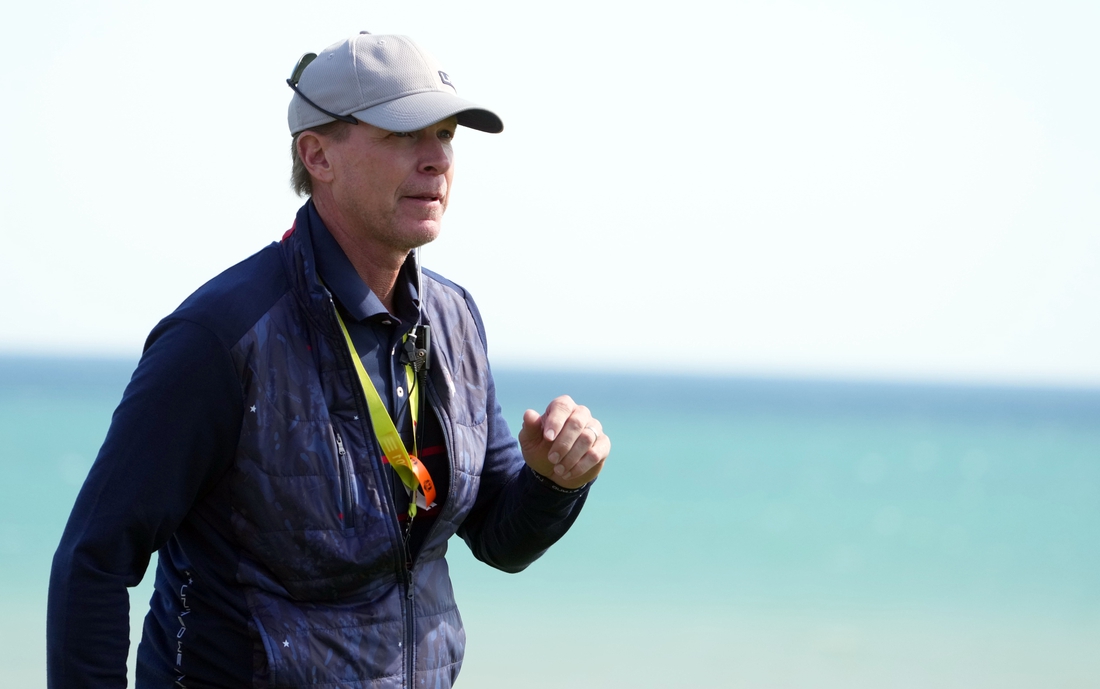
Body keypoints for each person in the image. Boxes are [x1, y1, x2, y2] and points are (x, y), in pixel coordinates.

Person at [47, 31, 610, 689]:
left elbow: (499, 537)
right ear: (317, 155)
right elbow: (92, 560)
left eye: (446, 135)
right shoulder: (218, 336)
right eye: (405, 134)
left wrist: (554, 480)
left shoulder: (455, 319)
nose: (436, 159)